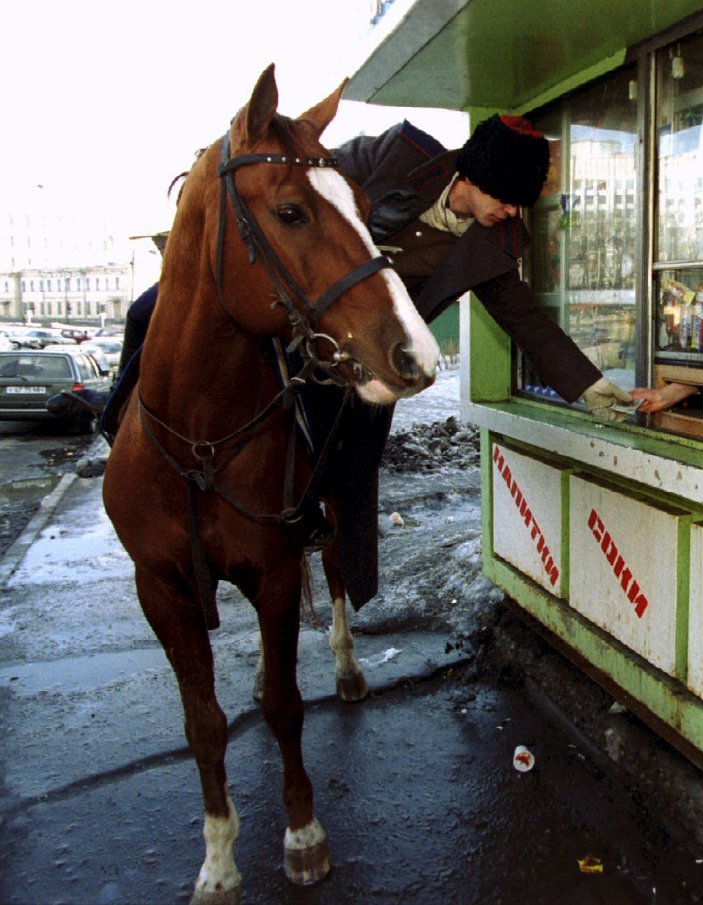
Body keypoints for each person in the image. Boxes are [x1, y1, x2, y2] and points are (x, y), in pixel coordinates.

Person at [100, 114, 636, 607]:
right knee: (152, 308)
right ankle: (117, 418)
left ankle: (322, 531)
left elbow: (526, 321)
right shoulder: (397, 155)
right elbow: (299, 182)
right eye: (508, 195)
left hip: (369, 348)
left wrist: (588, 387)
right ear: (473, 176)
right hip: (296, 299)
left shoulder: (493, 242)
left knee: (355, 449)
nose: (514, 210)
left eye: (523, 202)